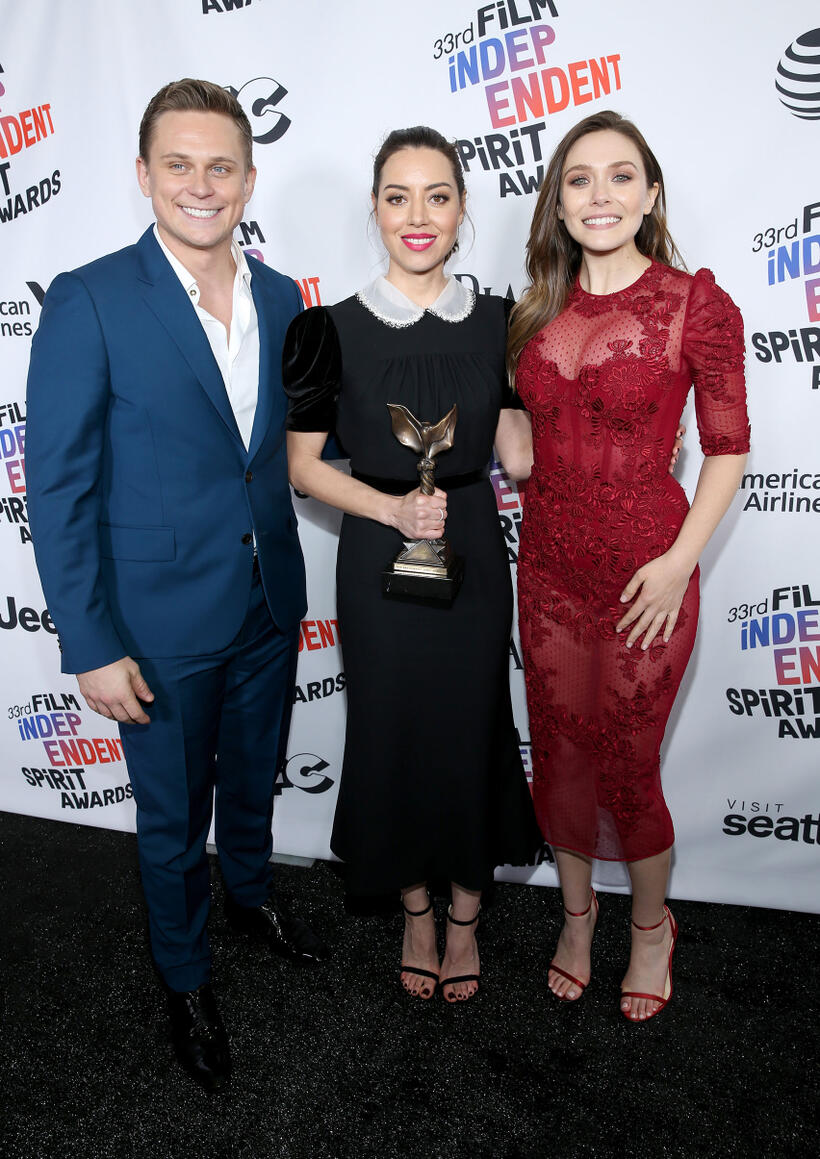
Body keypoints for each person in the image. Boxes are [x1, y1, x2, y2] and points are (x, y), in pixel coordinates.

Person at [25, 78, 329, 1093]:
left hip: (266, 600)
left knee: (251, 778)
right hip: (153, 623)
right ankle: (185, 977)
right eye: (179, 164)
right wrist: (90, 642)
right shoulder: (91, 296)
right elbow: (59, 484)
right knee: (169, 815)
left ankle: (250, 896)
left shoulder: (285, 296)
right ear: (145, 175)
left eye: (222, 166)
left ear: (249, 177)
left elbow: (281, 452)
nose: (202, 184)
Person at [284, 126, 542, 1004]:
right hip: (375, 547)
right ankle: (417, 910)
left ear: (464, 209)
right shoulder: (327, 330)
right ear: (375, 208)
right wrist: (393, 507)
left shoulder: (504, 321)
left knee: (473, 722)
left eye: (438, 195)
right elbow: (305, 467)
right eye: (399, 196)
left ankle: (467, 914)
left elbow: (519, 457)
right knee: (391, 725)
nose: (418, 215)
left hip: (470, 542)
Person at [507, 110, 750, 1022]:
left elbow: (725, 449)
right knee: (560, 760)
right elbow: (529, 447)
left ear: (649, 195)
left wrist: (682, 562)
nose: (599, 194)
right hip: (550, 575)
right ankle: (578, 919)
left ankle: (651, 929)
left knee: (628, 768)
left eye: (619, 176)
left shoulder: (695, 303)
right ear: (558, 203)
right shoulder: (535, 310)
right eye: (578, 179)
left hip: (650, 578)